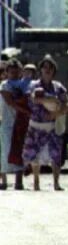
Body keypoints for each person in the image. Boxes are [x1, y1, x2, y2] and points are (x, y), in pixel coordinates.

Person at [22, 57, 68, 191]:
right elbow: (33, 98)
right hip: (36, 124)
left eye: (50, 68)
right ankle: (36, 182)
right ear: (41, 70)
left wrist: (57, 113)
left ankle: (56, 183)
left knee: (55, 155)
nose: (47, 70)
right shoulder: (34, 85)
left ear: (54, 70)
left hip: (51, 125)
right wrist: (50, 100)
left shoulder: (58, 87)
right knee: (35, 155)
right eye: (45, 67)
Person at [0, 59, 28, 190]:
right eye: (11, 71)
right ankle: (4, 181)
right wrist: (26, 111)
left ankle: (19, 181)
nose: (14, 74)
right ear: (7, 72)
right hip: (7, 122)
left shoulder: (25, 84)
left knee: (20, 150)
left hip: (21, 122)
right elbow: (10, 101)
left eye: (17, 71)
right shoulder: (5, 85)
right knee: (5, 150)